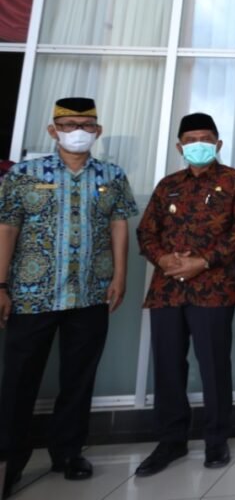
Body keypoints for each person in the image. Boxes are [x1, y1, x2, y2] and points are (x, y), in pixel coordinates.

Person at [0, 98, 138, 498]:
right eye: (69, 124)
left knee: (79, 378)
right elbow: (7, 228)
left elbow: (119, 226)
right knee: (19, 380)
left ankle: (68, 451)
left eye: (86, 124)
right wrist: (2, 285)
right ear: (52, 130)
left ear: (97, 131)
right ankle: (10, 458)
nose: (78, 131)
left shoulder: (111, 175)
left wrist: (120, 276)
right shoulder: (25, 175)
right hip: (31, 296)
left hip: (91, 292)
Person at [134, 113, 235, 476]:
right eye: (190, 139)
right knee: (168, 366)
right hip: (166, 290)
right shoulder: (167, 185)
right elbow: (146, 232)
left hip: (213, 291)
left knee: (214, 367)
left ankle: (216, 440)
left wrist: (202, 262)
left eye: (205, 138)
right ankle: (170, 441)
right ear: (179, 146)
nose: (198, 144)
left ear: (218, 144)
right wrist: (164, 259)